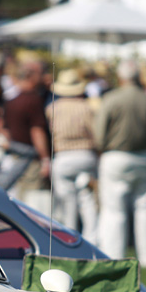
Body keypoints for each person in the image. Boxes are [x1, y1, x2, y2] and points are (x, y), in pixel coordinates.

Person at [94, 60, 146, 268]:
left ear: (121, 77)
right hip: (145, 155)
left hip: (116, 156)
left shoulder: (111, 99)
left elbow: (99, 134)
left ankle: (114, 254)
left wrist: (103, 146)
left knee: (114, 209)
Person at [47, 68, 99, 244]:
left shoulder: (52, 108)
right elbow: (95, 134)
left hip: (63, 157)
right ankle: (92, 238)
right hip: (85, 155)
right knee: (87, 198)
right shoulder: (87, 108)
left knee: (67, 201)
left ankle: (70, 237)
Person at [0, 60, 52, 199]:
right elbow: (36, 131)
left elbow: (1, 127)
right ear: (31, 77)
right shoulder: (33, 100)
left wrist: (13, 145)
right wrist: (45, 158)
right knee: (32, 198)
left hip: (16, 154)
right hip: (31, 157)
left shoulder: (10, 100)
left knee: (17, 197)